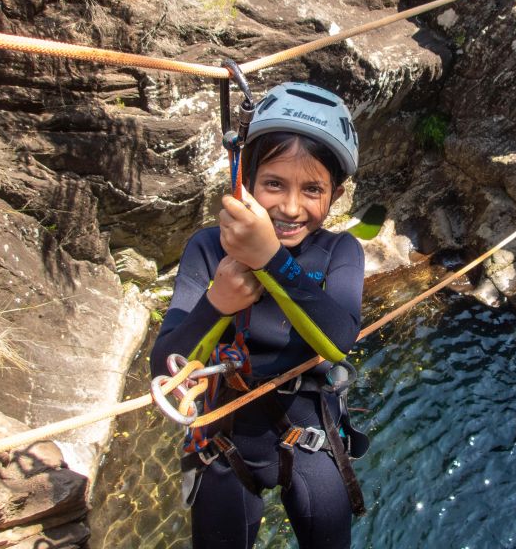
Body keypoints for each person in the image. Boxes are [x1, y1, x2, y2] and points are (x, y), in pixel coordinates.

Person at [150, 82, 367, 549]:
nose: (290, 207)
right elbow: (163, 369)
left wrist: (270, 257)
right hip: (226, 445)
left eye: (313, 189)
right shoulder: (209, 249)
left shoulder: (339, 251)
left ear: (336, 195)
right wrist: (217, 303)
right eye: (273, 184)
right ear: (246, 179)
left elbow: (339, 340)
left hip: (309, 437)